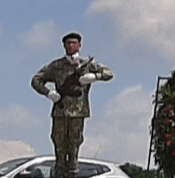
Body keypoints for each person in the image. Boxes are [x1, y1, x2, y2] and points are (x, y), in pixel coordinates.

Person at [31, 32, 113, 178]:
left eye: (74, 43)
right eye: (68, 43)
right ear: (64, 46)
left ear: (80, 45)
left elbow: (108, 73)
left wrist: (94, 76)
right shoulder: (56, 65)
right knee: (60, 149)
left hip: (78, 112)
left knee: (74, 149)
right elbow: (36, 80)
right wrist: (48, 93)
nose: (71, 45)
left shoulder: (86, 65)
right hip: (60, 112)